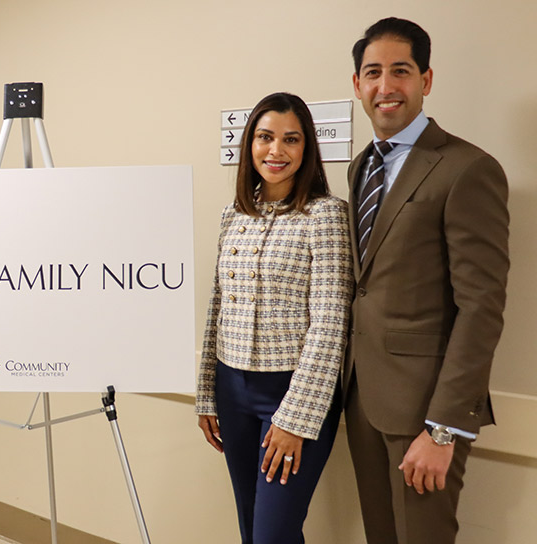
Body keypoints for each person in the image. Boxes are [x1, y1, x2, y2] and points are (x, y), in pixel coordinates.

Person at [343, 17, 510, 544]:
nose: (385, 86)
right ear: (357, 85)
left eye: (401, 71)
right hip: (363, 398)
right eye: (373, 73)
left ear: (426, 80)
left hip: (425, 411)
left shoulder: (467, 168)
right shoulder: (361, 167)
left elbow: (481, 306)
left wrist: (444, 428)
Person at [196, 92, 353, 543]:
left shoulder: (325, 215)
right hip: (232, 389)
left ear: (307, 149)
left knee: (273, 535)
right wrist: (206, 393)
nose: (276, 151)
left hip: (291, 391)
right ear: (250, 145)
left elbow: (329, 323)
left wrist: (294, 418)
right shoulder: (234, 215)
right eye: (265, 138)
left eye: (291, 140)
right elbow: (217, 308)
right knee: (250, 528)